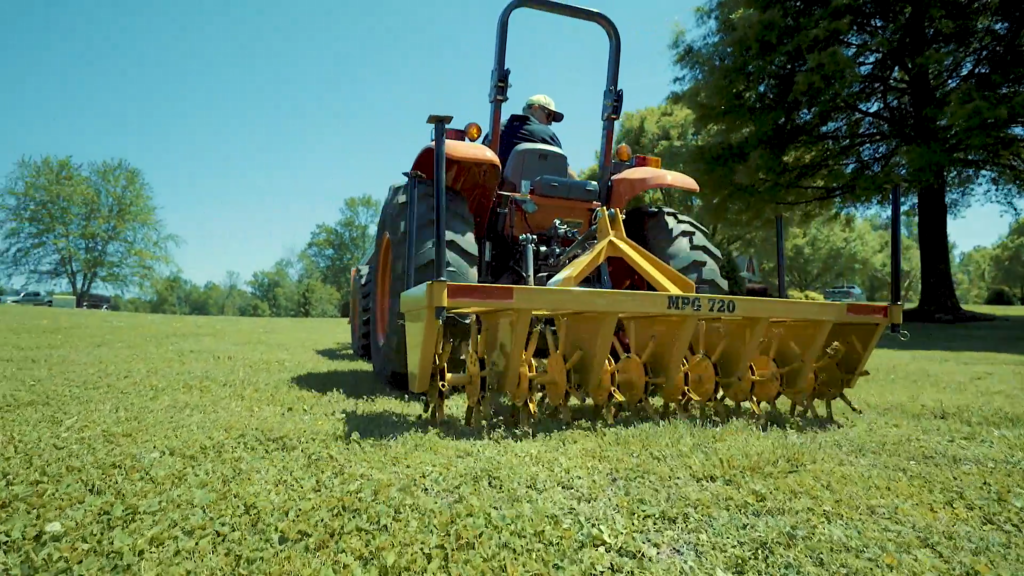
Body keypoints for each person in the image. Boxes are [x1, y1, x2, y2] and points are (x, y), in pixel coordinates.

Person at [482, 94, 567, 170]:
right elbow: (564, 168)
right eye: (549, 116)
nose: (550, 123)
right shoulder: (546, 135)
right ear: (535, 109)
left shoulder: (495, 131)